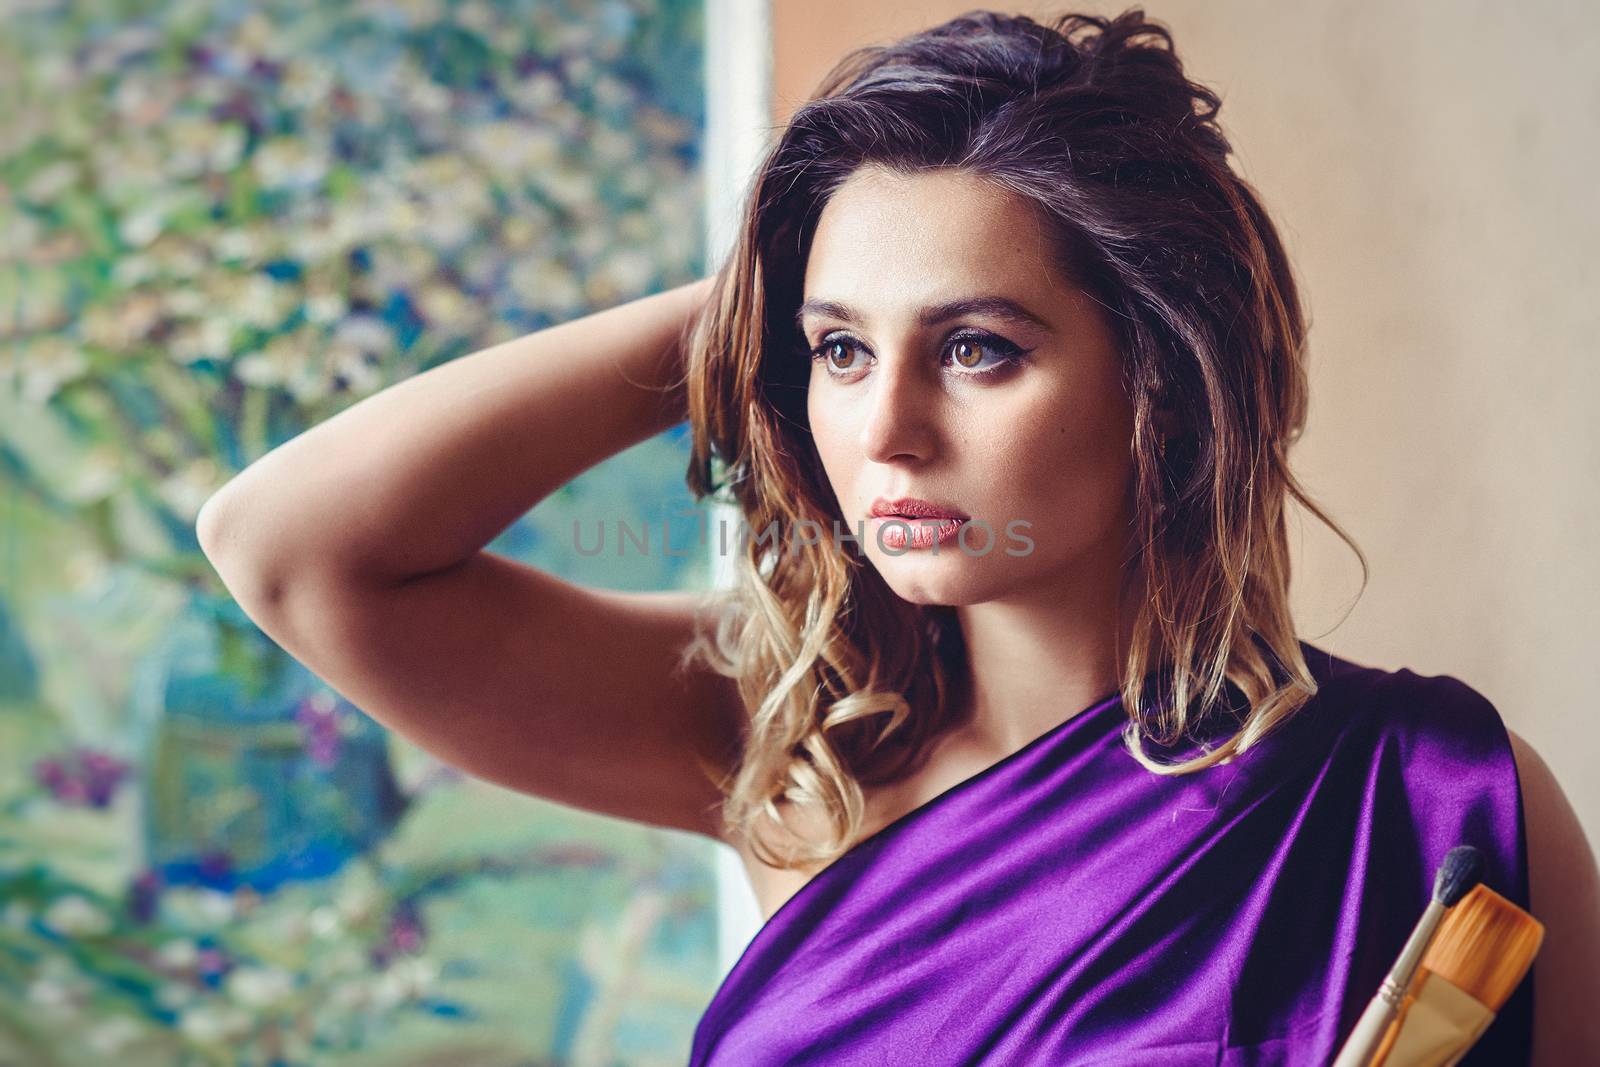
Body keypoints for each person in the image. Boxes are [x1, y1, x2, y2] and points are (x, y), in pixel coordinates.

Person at [197, 7, 1600, 1065]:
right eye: (838, 352)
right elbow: (288, 547)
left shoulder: (1422, 798)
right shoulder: (785, 745)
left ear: (1162, 381)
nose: (887, 432)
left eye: (978, 349)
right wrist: (761, 284)